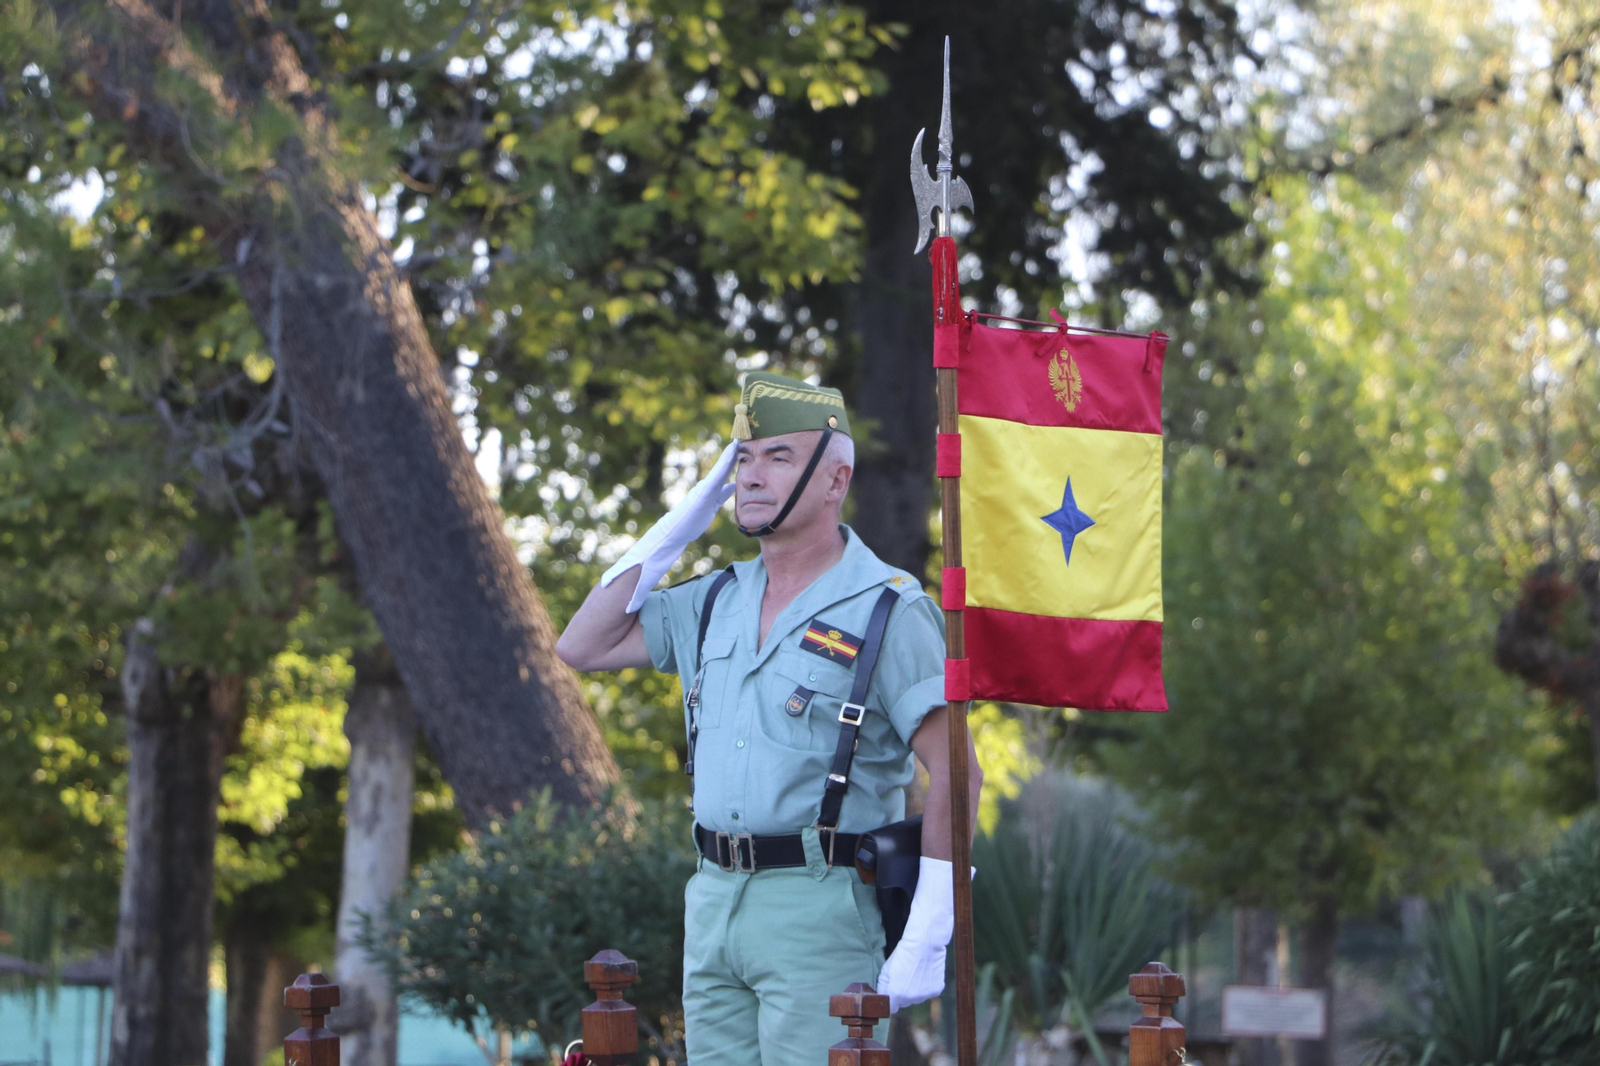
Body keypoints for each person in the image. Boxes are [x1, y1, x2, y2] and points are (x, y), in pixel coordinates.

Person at [557, 371, 981, 1066]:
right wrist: (676, 528)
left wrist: (931, 929)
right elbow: (582, 644)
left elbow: (959, 775)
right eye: (742, 460)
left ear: (834, 479)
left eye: (778, 457)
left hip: (822, 904)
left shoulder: (888, 609)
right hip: (714, 896)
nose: (751, 477)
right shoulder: (717, 597)